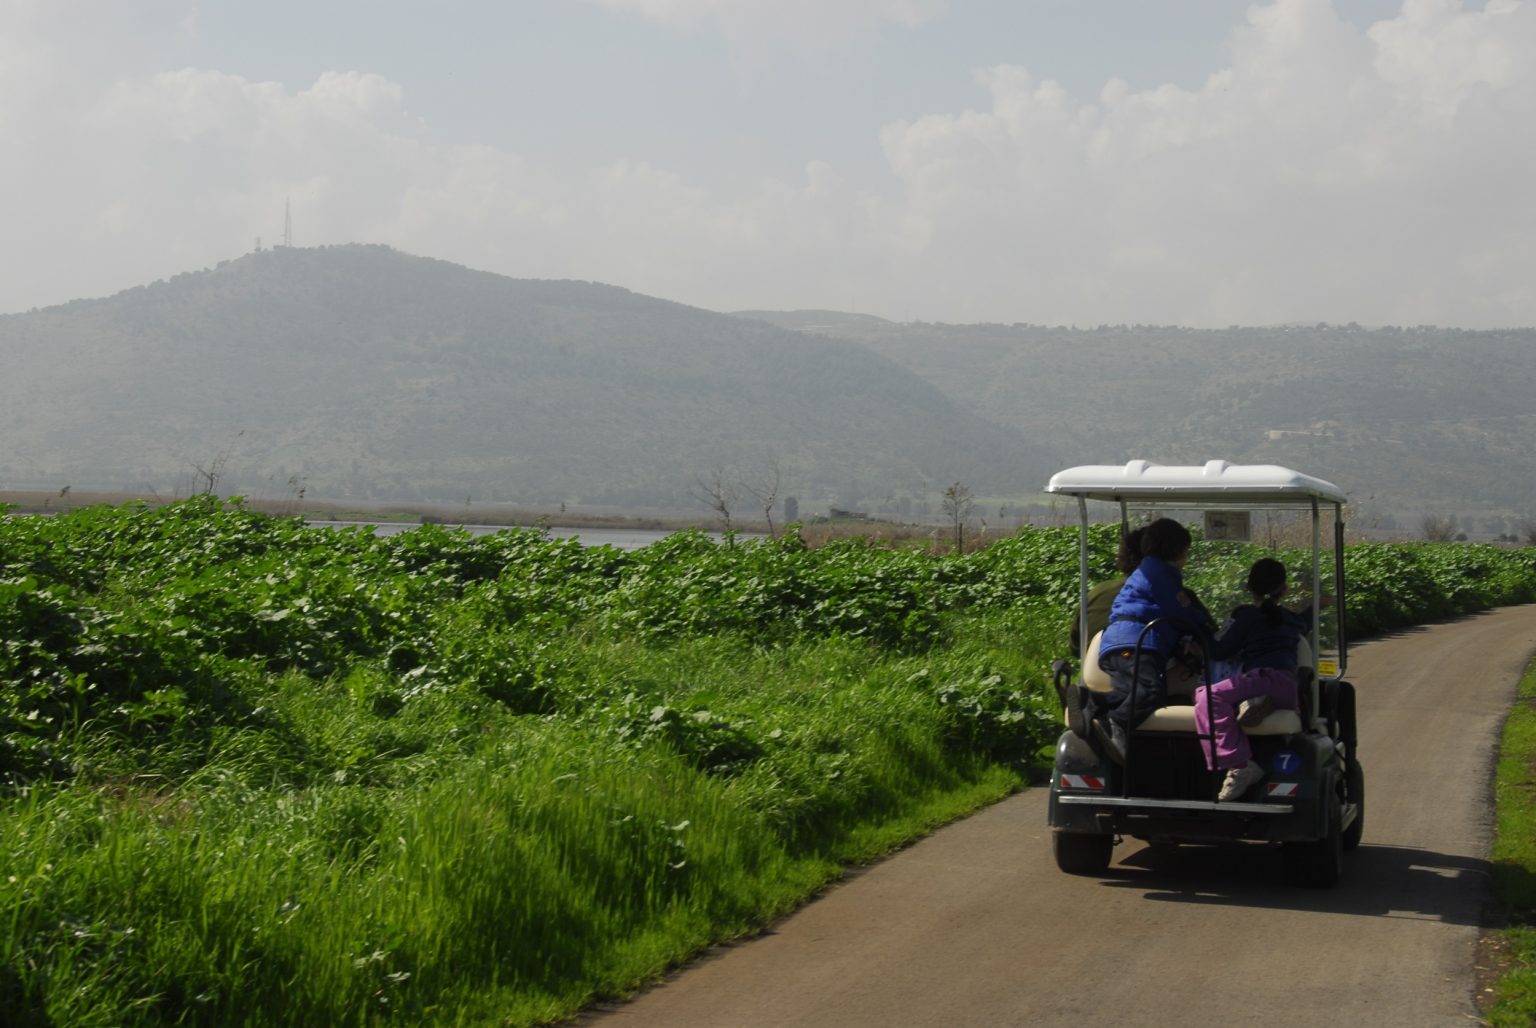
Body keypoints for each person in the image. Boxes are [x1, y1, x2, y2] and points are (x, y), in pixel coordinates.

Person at [1196, 557, 1328, 801]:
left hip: (1263, 679)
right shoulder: (1290, 619)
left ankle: (1239, 763)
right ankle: (1257, 703)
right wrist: (1318, 605)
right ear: (1284, 590)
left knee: (1207, 695)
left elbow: (1219, 652)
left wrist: (1200, 629)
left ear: (1249, 589)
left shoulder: (1248, 618)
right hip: (1288, 687)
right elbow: (1306, 622)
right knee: (1237, 693)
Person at [1092, 517, 1201, 763]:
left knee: (1128, 692)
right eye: (1185, 552)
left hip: (1117, 640)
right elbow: (1177, 611)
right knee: (1151, 691)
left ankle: (1089, 701)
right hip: (1139, 641)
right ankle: (1116, 723)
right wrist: (1199, 623)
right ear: (1175, 550)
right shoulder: (1162, 573)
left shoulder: (1147, 570)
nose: (1185, 559)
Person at [1070, 526, 1145, 658]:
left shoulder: (1097, 592)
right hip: (1148, 675)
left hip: (1095, 674)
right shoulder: (1176, 597)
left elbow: (1076, 647)